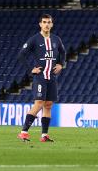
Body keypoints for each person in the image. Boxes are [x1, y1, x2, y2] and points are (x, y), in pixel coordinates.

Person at [17, 14, 66, 142]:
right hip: (40, 77)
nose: (46, 24)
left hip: (52, 77)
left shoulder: (56, 39)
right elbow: (21, 55)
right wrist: (30, 70)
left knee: (48, 105)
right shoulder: (34, 39)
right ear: (40, 24)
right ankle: (23, 132)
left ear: (52, 24)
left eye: (49, 22)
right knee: (39, 103)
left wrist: (61, 64)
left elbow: (63, 52)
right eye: (44, 22)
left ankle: (44, 135)